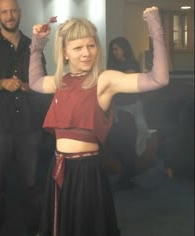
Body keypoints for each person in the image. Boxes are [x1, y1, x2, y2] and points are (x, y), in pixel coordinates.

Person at [29, 6, 169, 236]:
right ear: (64, 52)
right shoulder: (60, 81)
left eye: (91, 46)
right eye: (78, 48)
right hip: (59, 167)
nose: (86, 53)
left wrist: (154, 25)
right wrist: (37, 44)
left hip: (86, 171)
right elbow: (34, 82)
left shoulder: (104, 80)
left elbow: (159, 79)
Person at [0, 0, 54, 235]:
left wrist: (26, 87)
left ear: (20, 13)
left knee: (32, 184)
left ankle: (35, 230)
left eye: (13, 11)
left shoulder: (33, 47)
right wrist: (1, 84)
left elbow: (43, 85)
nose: (9, 15)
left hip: (29, 126)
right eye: (4, 12)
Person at [105, 36, 151, 189]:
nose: (114, 52)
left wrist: (112, 83)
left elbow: (124, 84)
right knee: (115, 140)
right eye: (113, 49)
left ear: (124, 49)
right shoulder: (114, 65)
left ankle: (128, 175)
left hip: (131, 107)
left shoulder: (131, 64)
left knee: (130, 142)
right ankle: (126, 172)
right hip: (117, 108)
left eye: (116, 49)